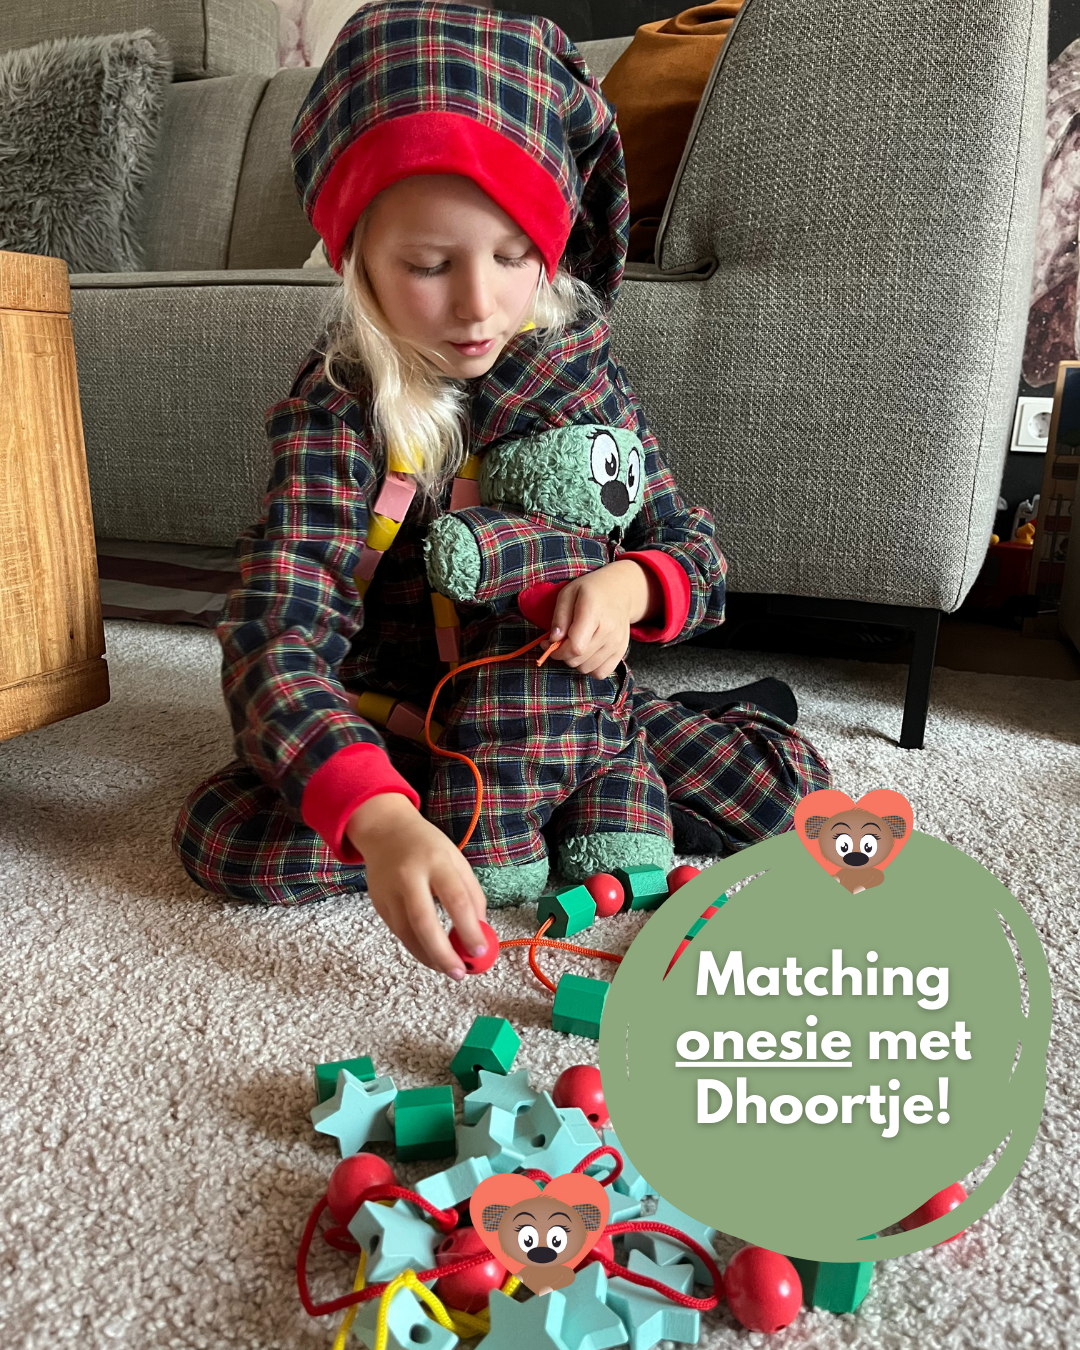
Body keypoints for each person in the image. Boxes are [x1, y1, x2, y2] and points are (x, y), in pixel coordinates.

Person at [172, 0, 831, 981]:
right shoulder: (340, 409)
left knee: (787, 789)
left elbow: (696, 555)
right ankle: (468, 818)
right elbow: (277, 630)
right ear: (357, 261)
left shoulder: (582, 379)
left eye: (514, 256)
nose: (478, 305)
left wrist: (632, 587)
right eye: (429, 265)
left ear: (553, 248)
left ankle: (613, 773)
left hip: (570, 711)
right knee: (228, 840)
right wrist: (382, 821)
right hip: (414, 721)